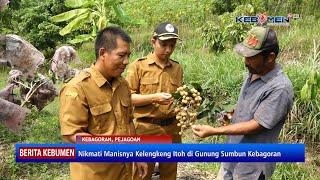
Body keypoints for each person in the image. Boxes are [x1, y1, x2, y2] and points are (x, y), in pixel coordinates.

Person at [192, 26, 294, 180]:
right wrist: (231, 114)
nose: (246, 62)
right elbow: (249, 107)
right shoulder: (253, 72)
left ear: (270, 57)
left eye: (251, 57)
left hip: (251, 167)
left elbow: (257, 125)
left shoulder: (280, 88)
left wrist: (214, 131)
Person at [59, 27, 147, 180]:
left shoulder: (123, 85)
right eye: (121, 55)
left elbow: (128, 122)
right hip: (95, 173)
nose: (126, 61)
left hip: (123, 172)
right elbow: (72, 134)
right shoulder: (77, 88)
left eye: (128, 56)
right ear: (102, 53)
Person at [125, 22, 183, 180]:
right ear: (153, 41)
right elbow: (128, 98)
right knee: (142, 174)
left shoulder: (177, 68)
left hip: (172, 129)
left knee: (169, 175)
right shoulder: (138, 66)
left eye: (172, 45)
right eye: (163, 45)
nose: (168, 50)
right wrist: (154, 97)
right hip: (146, 129)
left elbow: (179, 97)